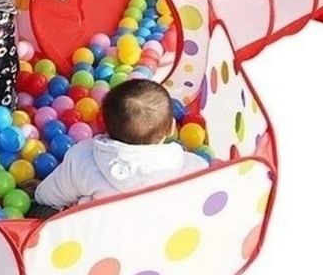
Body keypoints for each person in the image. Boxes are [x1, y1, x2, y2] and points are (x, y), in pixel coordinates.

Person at [31, 80, 207, 216]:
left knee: (38, 210)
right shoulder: (193, 167)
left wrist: (37, 194)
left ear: (104, 125)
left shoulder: (82, 158)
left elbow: (47, 196)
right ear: (171, 128)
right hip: (159, 243)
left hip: (95, 243)